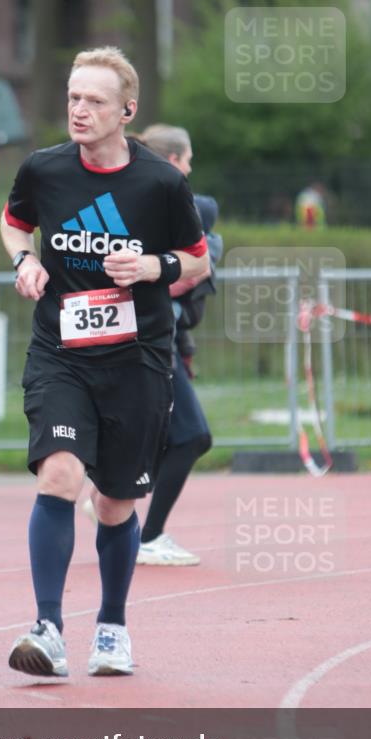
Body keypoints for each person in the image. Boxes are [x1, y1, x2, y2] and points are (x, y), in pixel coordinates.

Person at [0, 47, 209, 677]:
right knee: (59, 475)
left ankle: (112, 626)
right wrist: (25, 261)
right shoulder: (44, 169)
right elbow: (15, 224)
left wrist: (151, 266)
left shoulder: (161, 182)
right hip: (60, 353)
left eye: (93, 100)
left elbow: (196, 259)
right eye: (72, 97)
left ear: (127, 110)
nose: (79, 110)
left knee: (116, 503)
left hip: (137, 360)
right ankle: (47, 629)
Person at [132, 125, 222, 565]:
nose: (189, 168)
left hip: (158, 339)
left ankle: (115, 509)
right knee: (190, 436)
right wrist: (187, 268)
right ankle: (146, 535)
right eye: (186, 160)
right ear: (172, 161)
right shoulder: (156, 205)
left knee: (169, 437)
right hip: (143, 341)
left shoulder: (157, 201)